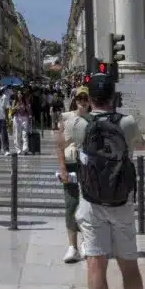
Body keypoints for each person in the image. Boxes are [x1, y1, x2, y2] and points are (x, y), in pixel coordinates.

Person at [72, 80, 145, 289]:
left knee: (96, 263)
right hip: (122, 200)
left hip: (92, 202)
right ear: (113, 97)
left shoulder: (80, 124)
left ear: (89, 98)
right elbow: (140, 146)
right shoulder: (127, 122)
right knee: (129, 265)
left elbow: (65, 145)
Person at [55, 89, 92, 264]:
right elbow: (59, 145)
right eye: (79, 98)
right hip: (70, 165)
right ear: (74, 100)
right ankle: (72, 247)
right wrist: (62, 168)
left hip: (88, 167)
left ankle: (86, 241)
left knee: (88, 206)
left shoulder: (94, 119)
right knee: (71, 205)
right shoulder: (66, 117)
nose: (83, 101)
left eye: (86, 98)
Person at [11, 89, 31, 154]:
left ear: (22, 95)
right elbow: (11, 111)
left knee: (24, 133)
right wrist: (15, 107)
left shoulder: (25, 101)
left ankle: (25, 148)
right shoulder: (14, 101)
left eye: (20, 93)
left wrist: (28, 108)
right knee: (17, 133)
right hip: (17, 118)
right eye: (18, 93)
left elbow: (29, 110)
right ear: (17, 95)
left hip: (24, 118)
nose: (19, 95)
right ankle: (18, 149)